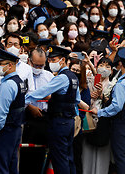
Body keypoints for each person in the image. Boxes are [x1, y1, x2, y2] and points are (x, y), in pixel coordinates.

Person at [25, 45, 80, 174]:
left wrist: (23, 100)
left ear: (62, 60)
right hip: (69, 121)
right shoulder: (73, 77)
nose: (51, 63)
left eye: (54, 60)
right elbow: (77, 99)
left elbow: (42, 92)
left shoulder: (62, 77)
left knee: (60, 160)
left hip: (59, 122)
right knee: (69, 157)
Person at [90, 48, 125, 174]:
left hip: (122, 125)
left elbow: (116, 107)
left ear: (120, 63)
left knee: (122, 158)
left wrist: (99, 112)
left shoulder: (122, 83)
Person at [0, 48, 26, 174]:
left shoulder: (8, 85)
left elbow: (2, 111)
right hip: (14, 130)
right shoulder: (19, 81)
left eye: (0, 64)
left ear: (10, 65)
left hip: (5, 131)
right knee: (11, 165)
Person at [19, 48, 54, 174]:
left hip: (44, 118)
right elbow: (19, 95)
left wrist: (47, 96)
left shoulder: (49, 76)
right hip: (27, 117)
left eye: (42, 65)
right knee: (26, 155)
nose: (39, 68)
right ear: (29, 61)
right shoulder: (23, 75)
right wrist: (30, 106)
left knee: (40, 155)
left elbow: (53, 96)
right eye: (36, 65)